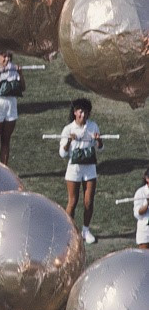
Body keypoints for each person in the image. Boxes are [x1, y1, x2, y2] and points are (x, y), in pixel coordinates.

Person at [59, 98, 103, 244]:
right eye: (80, 111)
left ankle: (86, 230)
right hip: (74, 170)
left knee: (88, 202)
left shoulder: (93, 126)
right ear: (75, 112)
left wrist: (98, 140)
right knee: (73, 201)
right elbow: (63, 154)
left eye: (85, 112)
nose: (83, 115)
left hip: (89, 169)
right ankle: (68, 231)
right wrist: (69, 142)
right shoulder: (68, 129)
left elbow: (100, 148)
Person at [0, 48, 25, 165]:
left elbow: (22, 88)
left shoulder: (13, 68)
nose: (7, 59)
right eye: (4, 56)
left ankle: (4, 169)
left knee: (6, 140)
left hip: (11, 105)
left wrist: (20, 75)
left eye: (8, 56)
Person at [133, 167, 149, 249]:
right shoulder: (140, 192)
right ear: (147, 179)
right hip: (145, 232)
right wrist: (147, 204)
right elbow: (137, 214)